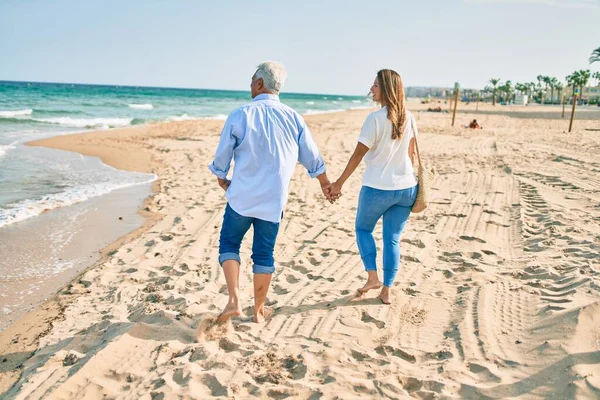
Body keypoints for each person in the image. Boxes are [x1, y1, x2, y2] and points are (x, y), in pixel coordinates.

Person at [209, 61, 333, 323]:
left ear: (260, 83)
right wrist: (324, 182)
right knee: (264, 254)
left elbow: (223, 154)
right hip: (273, 201)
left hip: (242, 196)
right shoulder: (293, 117)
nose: (250, 84)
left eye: (252, 79)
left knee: (229, 243)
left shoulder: (241, 114)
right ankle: (258, 310)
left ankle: (233, 301)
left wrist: (221, 176)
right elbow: (311, 156)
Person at [330, 69, 418, 305]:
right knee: (392, 239)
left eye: (376, 85)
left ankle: (372, 278)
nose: (371, 89)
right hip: (407, 188)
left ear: (387, 89)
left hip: (378, 187)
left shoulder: (375, 119)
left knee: (363, 229)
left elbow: (358, 156)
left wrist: (338, 183)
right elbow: (411, 156)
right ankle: (386, 291)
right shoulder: (409, 117)